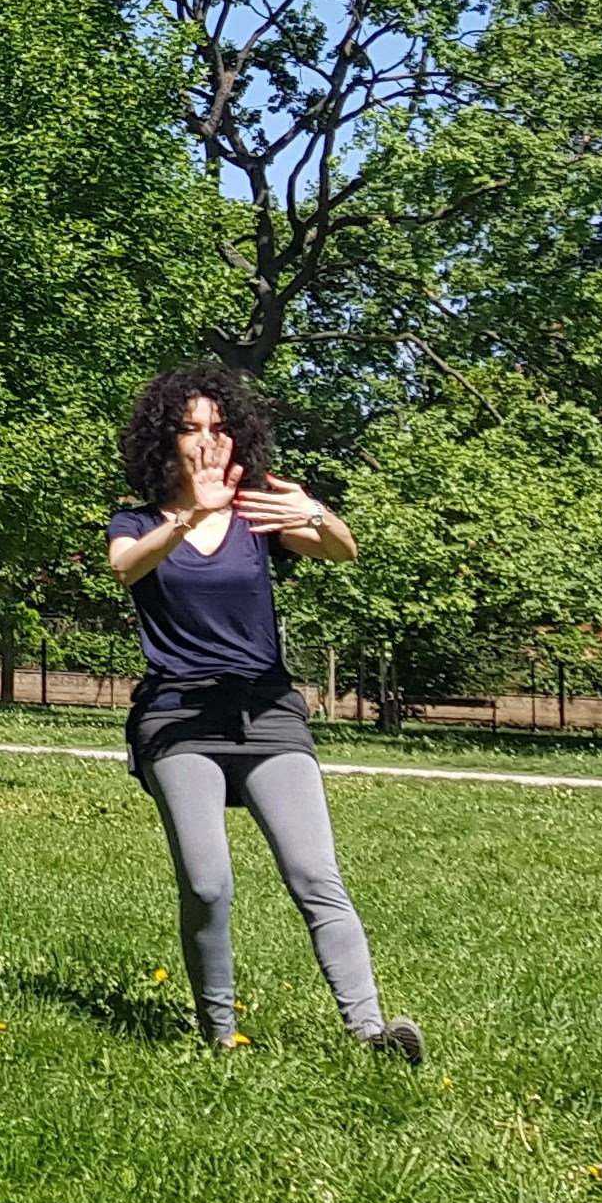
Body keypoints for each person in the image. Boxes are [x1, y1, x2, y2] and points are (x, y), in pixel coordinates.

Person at [109, 363, 422, 1061]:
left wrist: (315, 513)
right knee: (208, 881)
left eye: (219, 428)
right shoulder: (137, 521)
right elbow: (126, 566)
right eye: (191, 429)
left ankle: (373, 1032)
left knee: (316, 874)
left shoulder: (259, 518)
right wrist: (188, 516)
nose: (208, 442)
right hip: (178, 717)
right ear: (166, 440)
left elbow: (342, 550)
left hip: (268, 711)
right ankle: (220, 1036)